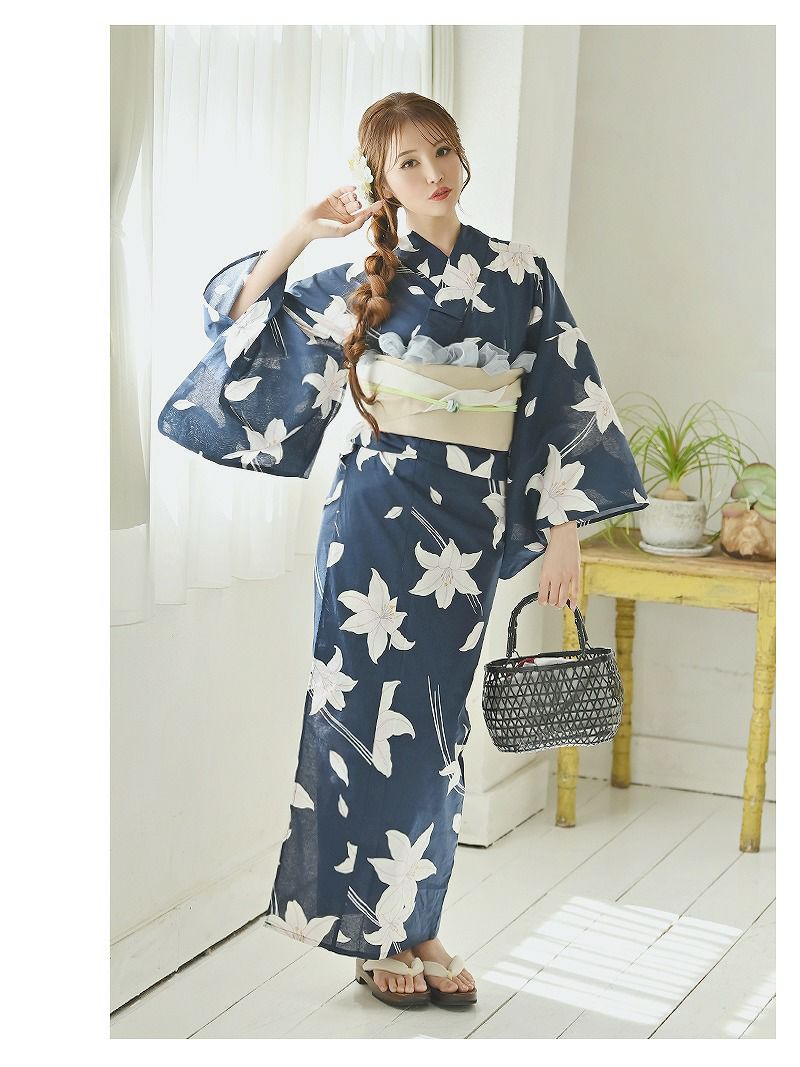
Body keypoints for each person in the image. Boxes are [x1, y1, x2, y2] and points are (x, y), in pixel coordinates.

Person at [157, 91, 649, 1009]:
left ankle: (417, 921)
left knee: (435, 728)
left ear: (462, 156)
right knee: (357, 717)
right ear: (381, 181)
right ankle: (374, 935)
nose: (434, 174)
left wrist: (564, 535)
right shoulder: (366, 275)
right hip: (375, 517)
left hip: (468, 527)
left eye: (443, 152)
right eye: (409, 164)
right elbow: (243, 313)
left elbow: (564, 400)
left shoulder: (520, 273)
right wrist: (302, 230)